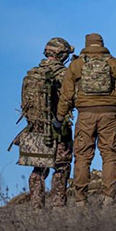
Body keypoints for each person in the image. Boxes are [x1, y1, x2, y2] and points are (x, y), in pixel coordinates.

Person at [56, 33, 116, 206]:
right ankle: (109, 198)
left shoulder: (76, 65)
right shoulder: (115, 64)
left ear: (86, 44)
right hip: (109, 115)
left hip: (85, 116)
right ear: (102, 44)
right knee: (110, 155)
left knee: (82, 156)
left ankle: (80, 200)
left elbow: (66, 95)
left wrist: (60, 117)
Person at [20, 37, 74, 209]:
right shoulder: (64, 74)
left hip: (35, 127)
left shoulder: (31, 74)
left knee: (38, 168)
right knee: (61, 166)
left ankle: (36, 206)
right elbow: (71, 99)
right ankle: (58, 205)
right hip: (58, 127)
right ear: (62, 55)